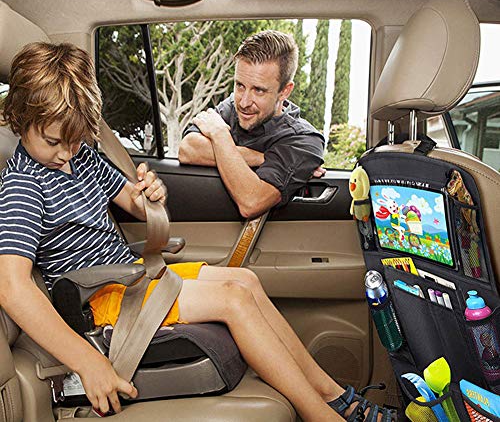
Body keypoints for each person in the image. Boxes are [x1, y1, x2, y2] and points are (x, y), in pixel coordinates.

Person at [0, 42, 393, 422]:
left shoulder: (81, 157)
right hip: (99, 299)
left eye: (74, 141)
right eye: (53, 141)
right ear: (18, 118)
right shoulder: (22, 186)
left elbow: (133, 202)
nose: (66, 152)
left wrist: (149, 194)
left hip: (131, 278)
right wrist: (86, 361)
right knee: (232, 300)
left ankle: (334, 396)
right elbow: (12, 287)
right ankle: (321, 416)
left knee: (246, 281)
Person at [178, 30, 326, 218]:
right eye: (240, 85)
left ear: (285, 91)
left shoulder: (304, 140)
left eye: (259, 90)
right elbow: (188, 150)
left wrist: (219, 134)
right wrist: (261, 158)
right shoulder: (232, 106)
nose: (244, 102)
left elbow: (252, 201)